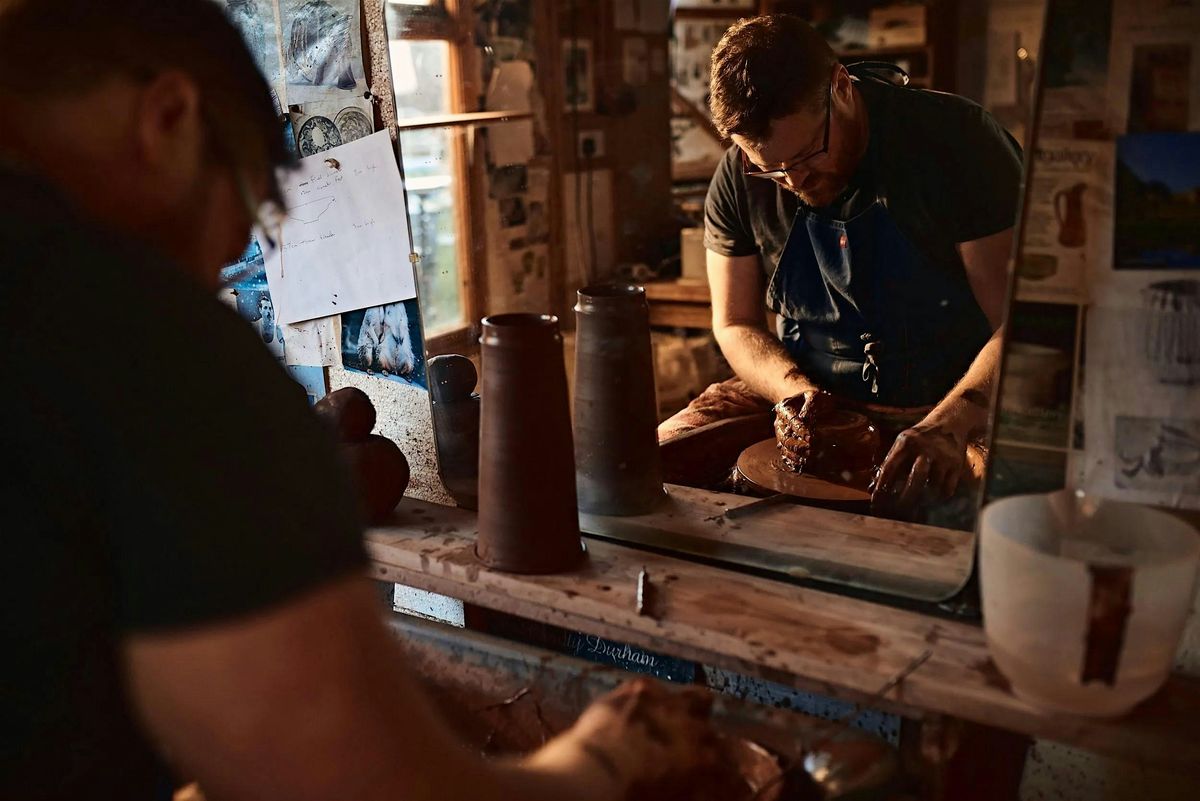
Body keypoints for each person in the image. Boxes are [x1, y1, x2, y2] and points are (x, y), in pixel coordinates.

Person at [0, 2, 720, 799]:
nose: (210, 282)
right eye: (234, 233)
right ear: (168, 120)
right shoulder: (132, 331)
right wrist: (602, 759)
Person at [659, 15, 1021, 512]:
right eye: (769, 166)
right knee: (654, 464)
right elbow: (735, 322)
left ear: (841, 88)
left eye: (808, 154)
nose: (792, 179)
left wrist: (950, 423)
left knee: (996, 508)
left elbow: (1021, 324)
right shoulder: (742, 176)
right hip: (811, 393)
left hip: (949, 399)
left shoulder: (958, 142)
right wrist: (796, 397)